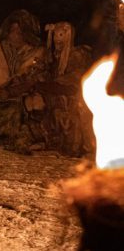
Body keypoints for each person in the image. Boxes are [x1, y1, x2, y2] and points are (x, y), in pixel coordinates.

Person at [0, 9, 48, 153]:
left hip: (23, 96)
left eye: (19, 31)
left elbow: (32, 80)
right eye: (12, 30)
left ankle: (19, 139)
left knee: (20, 109)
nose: (14, 35)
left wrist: (9, 92)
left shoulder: (37, 52)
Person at [41, 22, 93, 156]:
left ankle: (78, 146)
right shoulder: (53, 58)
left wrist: (54, 85)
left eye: (61, 36)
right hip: (58, 97)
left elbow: (74, 80)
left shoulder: (76, 56)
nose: (57, 40)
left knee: (71, 115)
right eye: (55, 36)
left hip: (73, 98)